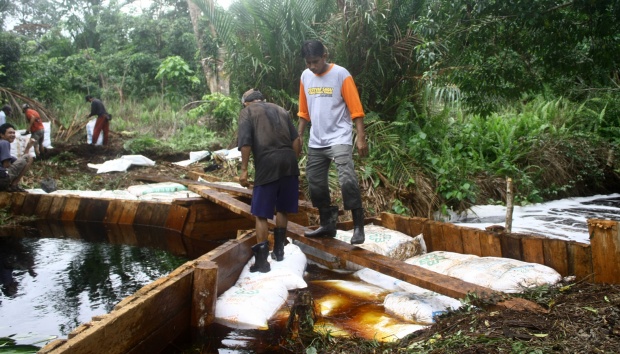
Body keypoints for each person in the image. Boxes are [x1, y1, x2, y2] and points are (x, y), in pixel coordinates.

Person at [297, 39, 368, 245]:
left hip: (340, 137)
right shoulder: (305, 76)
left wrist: (360, 137)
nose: (312, 66)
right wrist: (299, 136)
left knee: (347, 179)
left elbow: (356, 109)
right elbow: (304, 110)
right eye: (308, 62)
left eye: (316, 61)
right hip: (317, 140)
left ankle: (357, 226)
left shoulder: (341, 74)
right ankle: (328, 225)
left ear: (325, 56)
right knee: (315, 182)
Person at [237, 89, 301, 273]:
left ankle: (262, 262)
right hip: (289, 162)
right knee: (282, 208)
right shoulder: (281, 109)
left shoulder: (247, 112)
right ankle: (279, 252)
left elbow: (246, 143)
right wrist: (292, 160)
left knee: (261, 214)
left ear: (247, 102)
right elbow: (296, 139)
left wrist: (243, 171)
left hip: (267, 164)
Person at [0, 123, 33, 192]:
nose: (12, 135)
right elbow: (6, 165)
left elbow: (20, 163)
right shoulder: (4, 143)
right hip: (2, 179)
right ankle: (14, 185)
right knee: (29, 157)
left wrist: (28, 147)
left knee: (25, 158)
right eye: (10, 133)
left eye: (13, 133)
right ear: (2, 135)